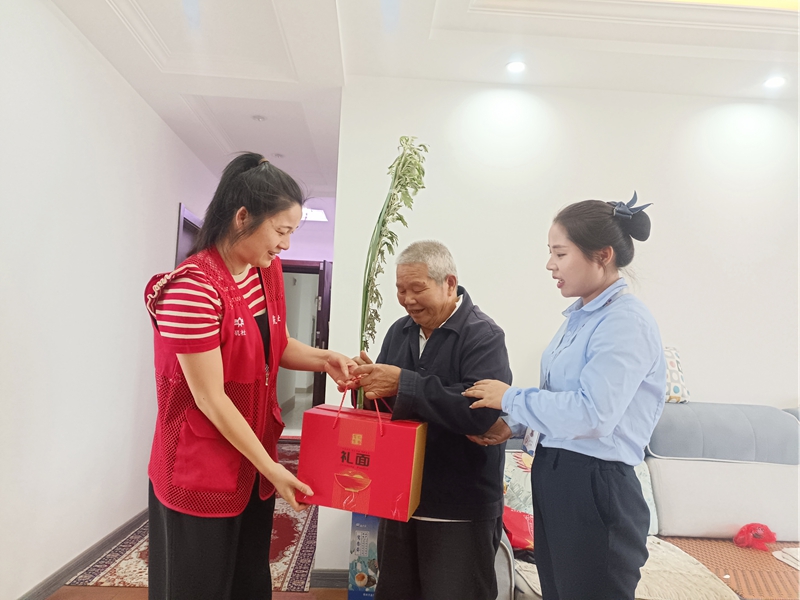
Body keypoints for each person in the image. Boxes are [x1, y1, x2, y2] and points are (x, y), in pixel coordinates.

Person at [143, 152, 355, 600]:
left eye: (292, 232)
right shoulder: (191, 289)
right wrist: (274, 468)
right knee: (198, 587)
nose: (286, 246)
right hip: (201, 470)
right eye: (281, 231)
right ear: (243, 217)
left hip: (253, 465)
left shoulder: (265, 272)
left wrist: (325, 359)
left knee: (248, 583)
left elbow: (275, 344)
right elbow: (210, 397)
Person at [464, 193, 667, 600]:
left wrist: (511, 399)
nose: (550, 265)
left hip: (596, 485)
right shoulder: (581, 317)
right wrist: (514, 423)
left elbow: (593, 414)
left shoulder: (624, 321)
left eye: (560, 253)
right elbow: (562, 396)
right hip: (558, 474)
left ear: (602, 255)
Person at [350, 240, 513, 600]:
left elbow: (480, 414)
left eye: (417, 288)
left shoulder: (483, 335)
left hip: (459, 506)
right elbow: (388, 409)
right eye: (400, 290)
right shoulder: (400, 331)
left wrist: (403, 383)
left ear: (449, 283)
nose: (407, 299)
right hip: (399, 499)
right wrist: (366, 385)